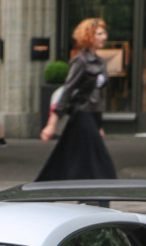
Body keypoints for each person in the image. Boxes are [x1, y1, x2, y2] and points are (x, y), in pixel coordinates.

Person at [37, 18, 117, 182]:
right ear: (89, 36)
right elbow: (68, 90)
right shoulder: (80, 61)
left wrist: (99, 125)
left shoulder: (101, 62)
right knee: (101, 162)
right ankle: (96, 197)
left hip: (92, 116)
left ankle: (56, 190)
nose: (104, 37)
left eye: (104, 33)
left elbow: (98, 95)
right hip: (81, 114)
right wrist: (52, 124)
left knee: (71, 158)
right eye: (100, 34)